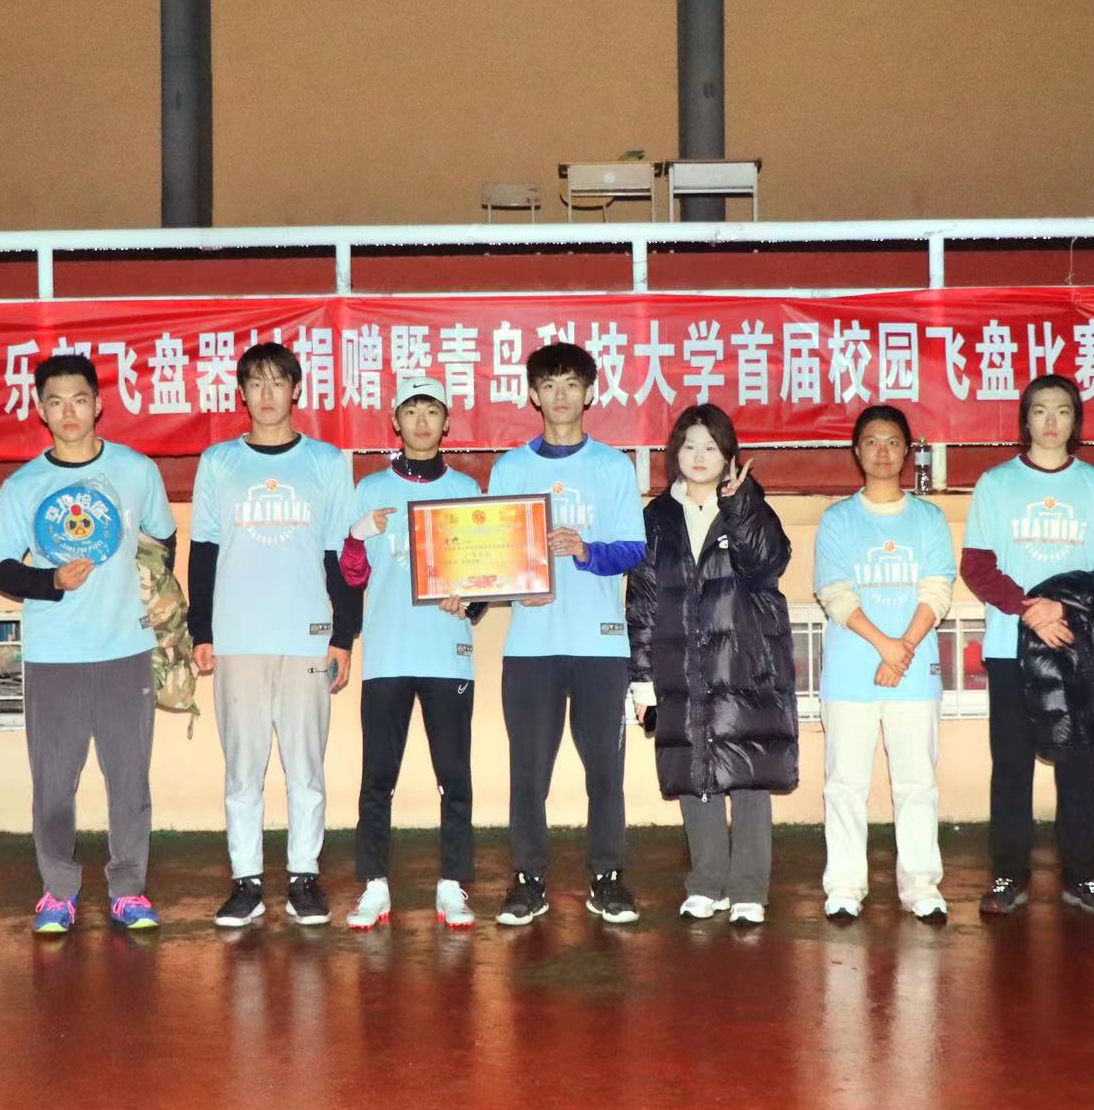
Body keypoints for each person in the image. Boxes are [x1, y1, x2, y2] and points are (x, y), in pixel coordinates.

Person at [0, 354, 176, 934]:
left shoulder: (136, 470)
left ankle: (129, 891)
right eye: (56, 402)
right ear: (41, 410)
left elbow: (163, 541)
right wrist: (50, 582)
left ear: (98, 404)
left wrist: (154, 595)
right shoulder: (24, 486)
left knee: (129, 780)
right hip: (55, 654)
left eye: (79, 399)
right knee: (53, 783)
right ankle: (58, 892)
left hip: (125, 649)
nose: (69, 412)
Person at [189, 342, 359, 929]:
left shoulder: (326, 462)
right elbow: (204, 548)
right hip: (237, 636)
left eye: (277, 382)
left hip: (308, 636)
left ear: (296, 390)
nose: (266, 394)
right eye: (255, 383)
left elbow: (343, 554)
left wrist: (343, 635)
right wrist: (201, 629)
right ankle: (246, 881)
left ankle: (305, 877)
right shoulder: (218, 462)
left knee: (305, 766)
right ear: (241, 393)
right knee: (243, 768)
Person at [487, 342, 647, 926]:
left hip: (600, 644)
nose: (560, 396)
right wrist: (511, 587)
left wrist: (585, 550)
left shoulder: (613, 466)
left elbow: (633, 550)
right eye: (549, 385)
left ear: (589, 393)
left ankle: (608, 877)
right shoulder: (510, 469)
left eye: (571, 385)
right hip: (531, 647)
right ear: (533, 394)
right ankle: (528, 880)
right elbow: (492, 554)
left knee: (605, 770)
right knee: (529, 771)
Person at [961, 374, 1094, 916]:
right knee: (1012, 766)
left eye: (1062, 410)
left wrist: (1065, 608)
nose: (1051, 421)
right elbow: (977, 565)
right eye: (1040, 410)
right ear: (1025, 420)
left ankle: (1083, 878)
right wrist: (1029, 609)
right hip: (1011, 647)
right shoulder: (996, 484)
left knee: (1078, 766)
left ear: (1075, 420)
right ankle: (1008, 876)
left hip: (1075, 647)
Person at [626, 404, 795, 926]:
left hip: (745, 664)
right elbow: (643, 600)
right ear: (675, 453)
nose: (699, 456)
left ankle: (748, 888)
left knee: (748, 775)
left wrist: (740, 505)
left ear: (728, 457)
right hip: (681, 664)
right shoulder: (657, 517)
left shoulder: (747, 504)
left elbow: (768, 565)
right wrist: (642, 680)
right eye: (690, 446)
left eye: (711, 447)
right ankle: (705, 882)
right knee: (691, 769)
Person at [339, 376, 482, 929]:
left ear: (447, 422)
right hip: (388, 655)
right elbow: (351, 576)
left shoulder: (466, 490)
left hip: (447, 653)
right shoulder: (370, 489)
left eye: (432, 411)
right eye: (411, 411)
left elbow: (485, 581)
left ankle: (451, 884)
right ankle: (375, 885)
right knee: (378, 775)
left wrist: (470, 600)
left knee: (455, 776)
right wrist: (356, 536)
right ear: (395, 422)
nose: (422, 422)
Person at [813, 405, 957, 922]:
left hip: (913, 676)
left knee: (916, 783)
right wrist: (887, 646)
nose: (882, 451)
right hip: (851, 675)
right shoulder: (837, 519)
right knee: (845, 784)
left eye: (892, 442)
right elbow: (836, 594)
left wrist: (903, 649)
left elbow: (937, 590)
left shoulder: (929, 519)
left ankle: (920, 886)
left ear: (907, 451)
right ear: (857, 451)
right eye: (871, 442)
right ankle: (844, 885)